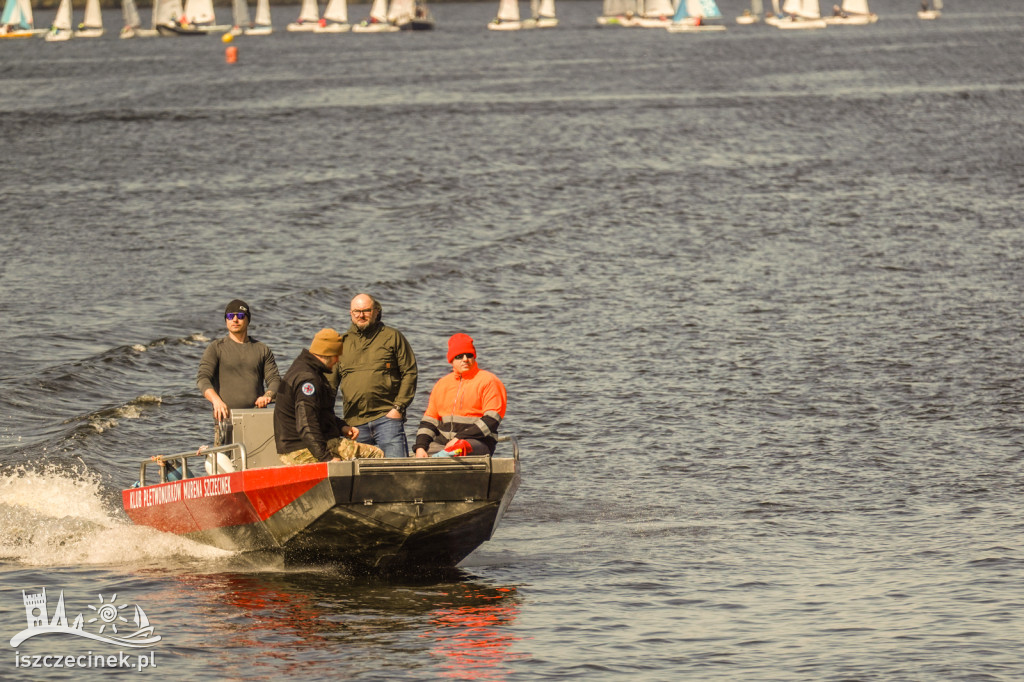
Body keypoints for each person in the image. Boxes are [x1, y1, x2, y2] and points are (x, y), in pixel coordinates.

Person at [275, 328, 384, 465]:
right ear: (326, 354)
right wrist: (326, 458)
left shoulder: (302, 369)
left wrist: (341, 427)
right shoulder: (308, 380)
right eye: (336, 356)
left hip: (297, 445)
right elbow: (306, 424)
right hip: (301, 448)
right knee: (375, 454)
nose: (338, 361)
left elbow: (319, 413)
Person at [328, 294, 418, 459]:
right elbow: (329, 386)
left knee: (397, 473)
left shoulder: (392, 337)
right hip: (354, 425)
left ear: (376, 311)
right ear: (350, 313)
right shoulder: (341, 343)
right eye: (357, 311)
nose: (361, 315)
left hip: (387, 419)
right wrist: (331, 420)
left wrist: (398, 407)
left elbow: (410, 372)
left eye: (366, 311)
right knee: (360, 478)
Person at [196, 299, 281, 445]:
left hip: (256, 417)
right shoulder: (216, 348)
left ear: (248, 320)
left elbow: (275, 380)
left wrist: (267, 395)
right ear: (226, 321)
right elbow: (203, 379)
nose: (235, 319)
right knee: (227, 462)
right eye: (230, 316)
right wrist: (216, 401)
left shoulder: (262, 349)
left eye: (240, 316)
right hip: (226, 419)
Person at [413, 333, 507, 458]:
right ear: (451, 360)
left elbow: (492, 420)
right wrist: (420, 447)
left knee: (458, 448)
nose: (465, 359)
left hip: (478, 443)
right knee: (414, 458)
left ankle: (442, 458)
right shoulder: (442, 384)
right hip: (444, 444)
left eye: (469, 355)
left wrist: (459, 438)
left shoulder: (489, 381)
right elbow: (429, 421)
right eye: (459, 356)